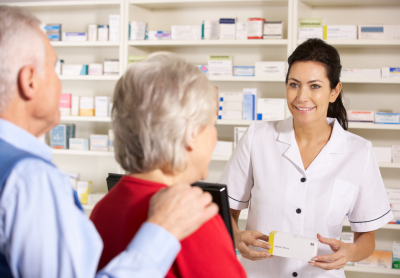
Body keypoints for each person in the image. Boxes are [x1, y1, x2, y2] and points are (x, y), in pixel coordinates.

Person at [0, 5, 218, 278]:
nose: (60, 82)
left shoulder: (105, 207)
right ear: (29, 80)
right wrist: (162, 232)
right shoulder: (30, 178)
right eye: (55, 68)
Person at [219, 38, 392, 278]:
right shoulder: (257, 138)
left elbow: (367, 238)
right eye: (294, 84)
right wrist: (236, 237)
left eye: (315, 86)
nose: (302, 96)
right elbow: (226, 214)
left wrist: (349, 253)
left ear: (334, 91)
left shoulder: (358, 152)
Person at [90, 52, 247, 278]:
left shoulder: (104, 208)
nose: (214, 136)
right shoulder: (191, 217)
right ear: (190, 135)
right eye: (212, 124)